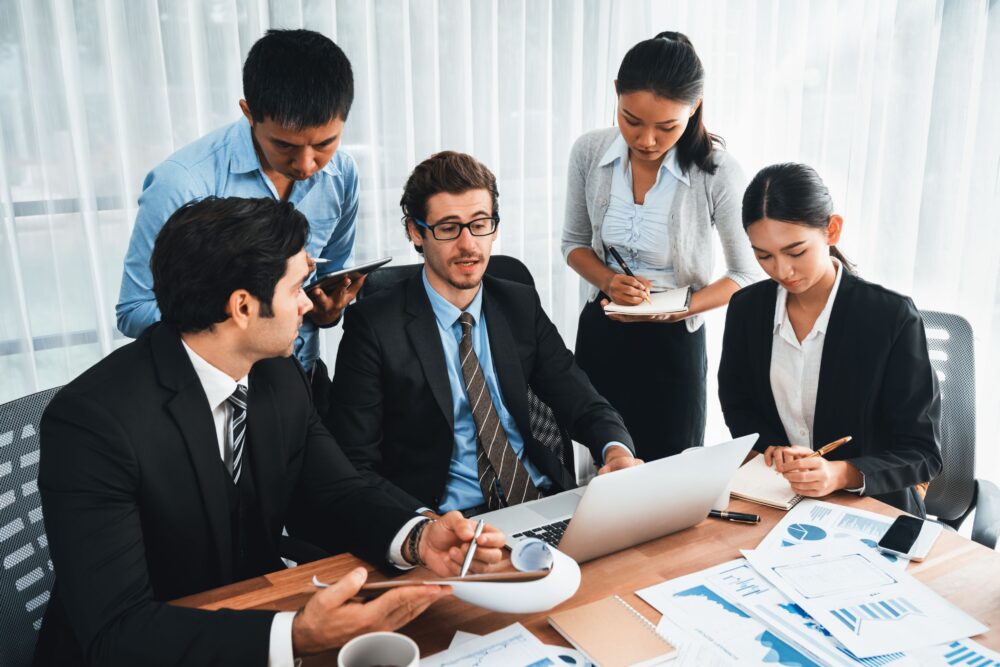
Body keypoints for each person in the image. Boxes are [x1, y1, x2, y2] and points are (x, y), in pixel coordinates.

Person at [36, 197, 504, 666]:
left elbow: (335, 492)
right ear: (242, 306)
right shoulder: (92, 423)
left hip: (254, 613)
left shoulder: (276, 374)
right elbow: (117, 631)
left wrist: (418, 537)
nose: (308, 302)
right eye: (297, 285)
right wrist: (293, 637)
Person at [329, 151, 641, 516]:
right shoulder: (374, 327)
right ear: (415, 231)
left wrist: (617, 451)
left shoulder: (518, 304)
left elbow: (583, 403)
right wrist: (421, 528)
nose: (468, 245)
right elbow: (355, 464)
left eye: (480, 224)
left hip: (542, 502)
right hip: (446, 522)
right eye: (448, 228)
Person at [116, 29, 363, 409]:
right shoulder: (182, 183)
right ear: (249, 113)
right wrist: (241, 320)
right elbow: (133, 312)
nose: (306, 164)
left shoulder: (342, 175)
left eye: (325, 143)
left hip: (305, 385)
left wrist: (327, 309)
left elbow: (329, 280)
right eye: (285, 145)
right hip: (216, 399)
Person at [561, 31, 760, 461]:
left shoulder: (717, 171)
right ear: (616, 94)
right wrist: (611, 282)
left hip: (673, 346)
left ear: (695, 108)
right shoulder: (589, 152)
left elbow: (746, 274)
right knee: (595, 465)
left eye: (667, 126)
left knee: (669, 470)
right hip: (602, 331)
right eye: (631, 120)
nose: (646, 139)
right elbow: (574, 244)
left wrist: (678, 307)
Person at [718, 163, 942, 515]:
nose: (782, 271)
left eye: (795, 252)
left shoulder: (889, 317)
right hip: (777, 498)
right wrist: (771, 446)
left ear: (831, 230)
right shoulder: (747, 309)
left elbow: (922, 454)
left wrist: (841, 473)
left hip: (871, 507)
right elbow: (738, 402)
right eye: (763, 256)